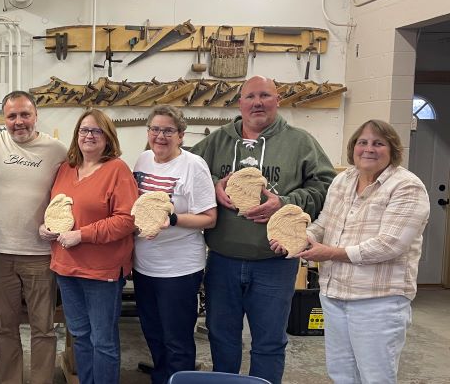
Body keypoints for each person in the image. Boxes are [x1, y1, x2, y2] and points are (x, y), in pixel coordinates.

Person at [189, 75, 335, 384]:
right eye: (251, 96)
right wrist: (211, 186)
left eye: (265, 96)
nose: (258, 102)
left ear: (277, 101)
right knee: (221, 337)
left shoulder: (301, 142)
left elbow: (326, 187)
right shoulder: (215, 142)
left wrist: (283, 202)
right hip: (223, 261)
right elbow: (185, 173)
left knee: (268, 342)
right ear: (239, 103)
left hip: (274, 263)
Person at [272, 119, 429, 384]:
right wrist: (299, 238)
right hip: (335, 294)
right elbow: (324, 224)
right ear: (353, 147)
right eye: (362, 142)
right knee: (342, 373)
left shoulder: (407, 187)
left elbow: (389, 244)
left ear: (392, 150)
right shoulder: (344, 179)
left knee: (375, 376)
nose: (368, 149)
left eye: (378, 143)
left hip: (378, 300)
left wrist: (329, 253)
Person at [40, 108, 138, 384]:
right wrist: (46, 227)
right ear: (76, 135)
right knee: (80, 336)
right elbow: (56, 210)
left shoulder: (117, 170)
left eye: (96, 131)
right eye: (84, 130)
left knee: (102, 340)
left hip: (101, 272)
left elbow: (127, 220)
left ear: (107, 137)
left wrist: (82, 235)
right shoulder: (66, 169)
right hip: (66, 268)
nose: (89, 136)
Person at [0, 91, 67, 384]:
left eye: (25, 114)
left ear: (36, 115)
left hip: (41, 254)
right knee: (5, 327)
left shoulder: (57, 150)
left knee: (44, 327)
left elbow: (71, 194)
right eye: (12, 116)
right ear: (5, 118)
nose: (19, 122)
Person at [132, 105, 217, 384]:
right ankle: (162, 378)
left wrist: (173, 218)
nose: (160, 136)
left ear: (181, 135)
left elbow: (210, 219)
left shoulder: (193, 165)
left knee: (177, 340)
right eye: (155, 129)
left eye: (168, 130)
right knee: (154, 334)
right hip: (144, 266)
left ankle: (179, 379)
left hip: (178, 269)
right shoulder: (143, 160)